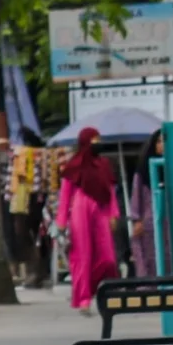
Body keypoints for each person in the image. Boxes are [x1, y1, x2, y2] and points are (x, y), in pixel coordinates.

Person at [58, 127, 119, 312]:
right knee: (82, 255)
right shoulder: (74, 166)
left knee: (108, 257)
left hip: (100, 209)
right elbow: (65, 195)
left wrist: (114, 214)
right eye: (94, 140)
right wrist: (61, 221)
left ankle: (101, 289)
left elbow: (110, 192)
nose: (97, 144)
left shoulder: (104, 165)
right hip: (79, 210)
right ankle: (83, 298)